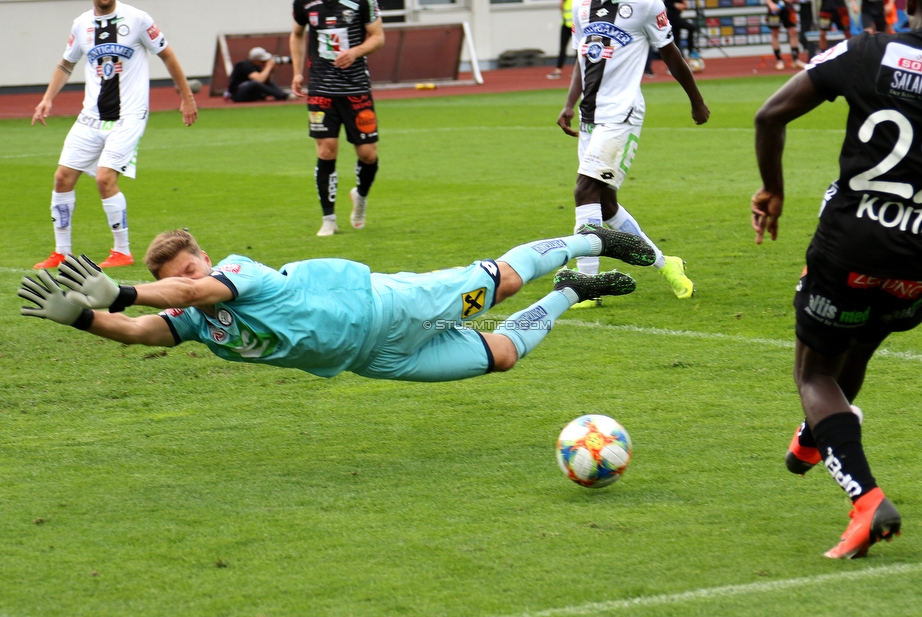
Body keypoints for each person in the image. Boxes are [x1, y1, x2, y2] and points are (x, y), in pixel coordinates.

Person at [751, 0, 922, 558]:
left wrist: (773, 191)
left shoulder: (871, 50)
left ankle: (867, 501)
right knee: (863, 343)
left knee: (813, 372)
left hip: (850, 243)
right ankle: (814, 437)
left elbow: (770, 114)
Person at [19, 226, 657, 382]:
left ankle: (591, 239)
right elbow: (135, 332)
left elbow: (189, 290)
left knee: (503, 284)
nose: (188, 279)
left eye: (189, 266)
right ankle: (573, 289)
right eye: (176, 275)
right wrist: (84, 318)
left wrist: (126, 288)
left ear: (205, 260)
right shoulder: (191, 324)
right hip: (373, 360)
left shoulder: (239, 271)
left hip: (396, 309)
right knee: (501, 355)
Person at [557, 0, 709, 307]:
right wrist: (570, 103)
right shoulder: (580, 6)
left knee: (584, 190)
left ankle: (587, 283)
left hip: (622, 113)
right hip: (590, 116)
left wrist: (696, 100)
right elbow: (582, 58)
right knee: (605, 203)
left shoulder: (646, 4)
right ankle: (666, 264)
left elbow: (670, 53)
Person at [29, 0, 197, 270]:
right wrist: (47, 99)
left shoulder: (138, 18)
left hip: (129, 116)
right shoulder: (81, 24)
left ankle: (122, 251)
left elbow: (167, 54)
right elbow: (66, 64)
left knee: (105, 179)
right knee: (62, 178)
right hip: (91, 117)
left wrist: (187, 97)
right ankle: (62, 253)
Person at [289, 0, 385, 236]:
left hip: (356, 89)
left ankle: (360, 196)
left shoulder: (364, 1)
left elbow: (378, 37)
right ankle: (328, 218)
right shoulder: (305, 3)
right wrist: (297, 73)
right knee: (326, 150)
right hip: (321, 90)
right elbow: (296, 34)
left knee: (368, 154)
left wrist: (355, 51)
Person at [227, 47, 292, 102]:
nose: (264, 62)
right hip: (237, 94)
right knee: (255, 83)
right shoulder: (244, 65)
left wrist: (272, 70)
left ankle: (281, 94)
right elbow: (259, 80)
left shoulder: (257, 66)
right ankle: (283, 96)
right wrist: (268, 67)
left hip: (250, 94)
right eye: (262, 61)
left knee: (268, 82)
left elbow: (267, 81)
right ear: (256, 60)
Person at [766, 0, 804, 69]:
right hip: (774, 8)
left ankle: (795, 60)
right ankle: (779, 61)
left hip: (788, 7)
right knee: (775, 32)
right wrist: (770, 4)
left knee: (793, 31)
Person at [665, 0, 702, 65]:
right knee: (691, 28)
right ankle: (691, 50)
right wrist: (676, 5)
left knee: (676, 41)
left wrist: (683, 4)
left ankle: (676, 62)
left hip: (676, 19)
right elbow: (667, 3)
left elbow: (683, 6)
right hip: (673, 19)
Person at [547, 0, 575, 79]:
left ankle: (576, 70)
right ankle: (558, 70)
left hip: (573, 24)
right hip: (567, 24)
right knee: (563, 48)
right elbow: (561, 5)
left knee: (577, 48)